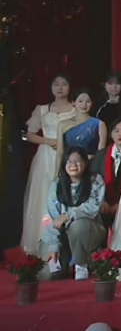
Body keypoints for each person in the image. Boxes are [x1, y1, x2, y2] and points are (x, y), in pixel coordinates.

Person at [21, 74, 78, 255]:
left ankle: (64, 243)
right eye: (56, 84)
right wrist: (48, 141)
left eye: (64, 84)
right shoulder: (42, 109)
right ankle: (40, 241)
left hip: (68, 155)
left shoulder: (76, 108)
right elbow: (30, 134)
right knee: (43, 195)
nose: (60, 88)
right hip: (46, 155)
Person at [40, 147, 106, 280]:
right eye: (69, 162)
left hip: (89, 229)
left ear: (85, 163)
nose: (73, 165)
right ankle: (63, 263)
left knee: (78, 226)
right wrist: (54, 244)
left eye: (78, 161)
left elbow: (93, 207)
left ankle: (81, 263)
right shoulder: (56, 185)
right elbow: (51, 216)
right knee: (46, 272)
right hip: (62, 234)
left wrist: (69, 215)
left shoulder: (95, 180)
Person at [57, 88, 107, 161]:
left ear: (92, 103)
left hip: (91, 164)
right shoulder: (63, 124)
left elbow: (101, 154)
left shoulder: (99, 124)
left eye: (88, 101)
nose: (84, 104)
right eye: (80, 101)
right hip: (70, 165)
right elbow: (60, 152)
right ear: (73, 102)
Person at [92, 70, 121, 147]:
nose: (114, 87)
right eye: (110, 83)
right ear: (104, 85)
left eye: (117, 84)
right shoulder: (98, 104)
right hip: (101, 144)